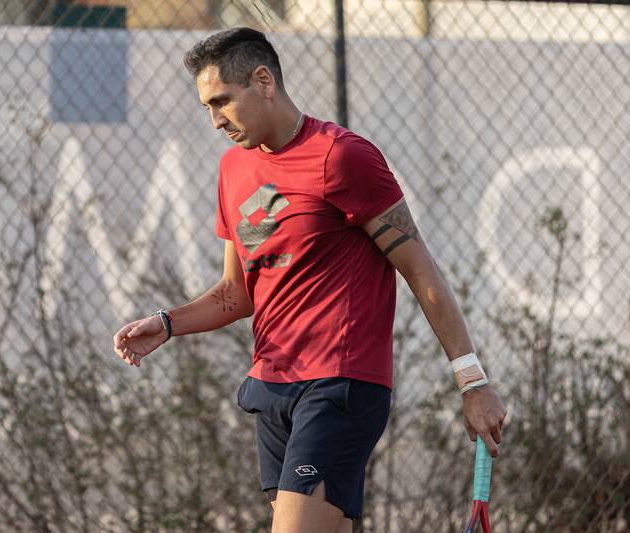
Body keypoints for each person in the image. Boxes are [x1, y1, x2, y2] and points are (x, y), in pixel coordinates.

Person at [113, 27, 506, 533]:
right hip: (273, 389)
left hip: (339, 386)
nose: (215, 120)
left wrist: (472, 381)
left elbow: (419, 268)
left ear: (263, 81)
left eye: (222, 101)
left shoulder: (341, 157)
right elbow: (236, 293)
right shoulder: (234, 170)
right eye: (207, 107)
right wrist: (168, 323)